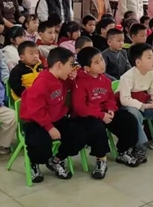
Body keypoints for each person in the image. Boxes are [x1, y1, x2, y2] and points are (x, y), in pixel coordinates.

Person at [20, 47, 110, 181]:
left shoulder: (63, 78)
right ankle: (34, 163)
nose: (72, 68)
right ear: (59, 65)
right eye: (70, 65)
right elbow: (36, 110)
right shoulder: (42, 83)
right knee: (40, 144)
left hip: (57, 118)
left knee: (79, 134)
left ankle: (56, 160)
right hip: (36, 121)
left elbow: (75, 87)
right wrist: (49, 128)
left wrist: (73, 78)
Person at [73, 47, 140, 168]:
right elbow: (80, 107)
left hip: (105, 113)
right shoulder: (79, 82)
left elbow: (110, 98)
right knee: (97, 128)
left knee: (128, 120)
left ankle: (123, 151)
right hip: (89, 116)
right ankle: (101, 159)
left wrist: (111, 108)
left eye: (102, 60)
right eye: (96, 62)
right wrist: (101, 115)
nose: (102, 64)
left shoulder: (105, 80)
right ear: (87, 68)